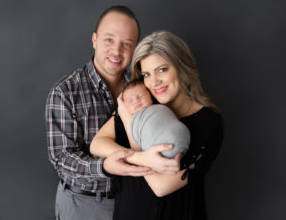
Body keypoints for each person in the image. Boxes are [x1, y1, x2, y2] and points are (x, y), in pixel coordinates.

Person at [45, 6, 180, 220]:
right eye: (109, 40)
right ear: (94, 39)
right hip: (87, 204)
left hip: (135, 200)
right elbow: (62, 158)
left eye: (127, 44)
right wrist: (104, 167)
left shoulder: (144, 87)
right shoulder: (66, 92)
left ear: (136, 48)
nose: (116, 51)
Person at [90, 30, 224, 220]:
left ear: (181, 67)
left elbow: (160, 187)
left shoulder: (207, 122)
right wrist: (142, 157)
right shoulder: (141, 103)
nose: (154, 82)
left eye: (162, 70)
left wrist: (130, 126)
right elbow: (98, 144)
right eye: (146, 74)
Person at [120, 79, 191, 158]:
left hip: (180, 135)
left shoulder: (160, 107)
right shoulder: (131, 121)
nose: (136, 100)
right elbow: (136, 147)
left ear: (150, 95)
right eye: (130, 100)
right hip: (154, 152)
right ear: (124, 106)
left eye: (141, 95)